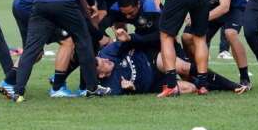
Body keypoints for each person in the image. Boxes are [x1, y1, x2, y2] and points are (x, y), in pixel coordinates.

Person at [182, 0, 251, 88]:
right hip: (208, 9)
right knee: (187, 37)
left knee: (230, 33)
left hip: (232, 8)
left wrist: (199, 18)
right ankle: (199, 73)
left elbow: (224, 7)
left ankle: (245, 78)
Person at [97, 42, 248, 96]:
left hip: (152, 60)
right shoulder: (111, 87)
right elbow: (113, 92)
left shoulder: (107, 53)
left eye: (100, 58)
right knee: (190, 87)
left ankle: (232, 85)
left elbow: (125, 42)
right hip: (153, 86)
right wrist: (130, 88)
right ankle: (207, 85)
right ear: (102, 74)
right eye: (101, 63)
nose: (105, 60)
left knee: (182, 67)